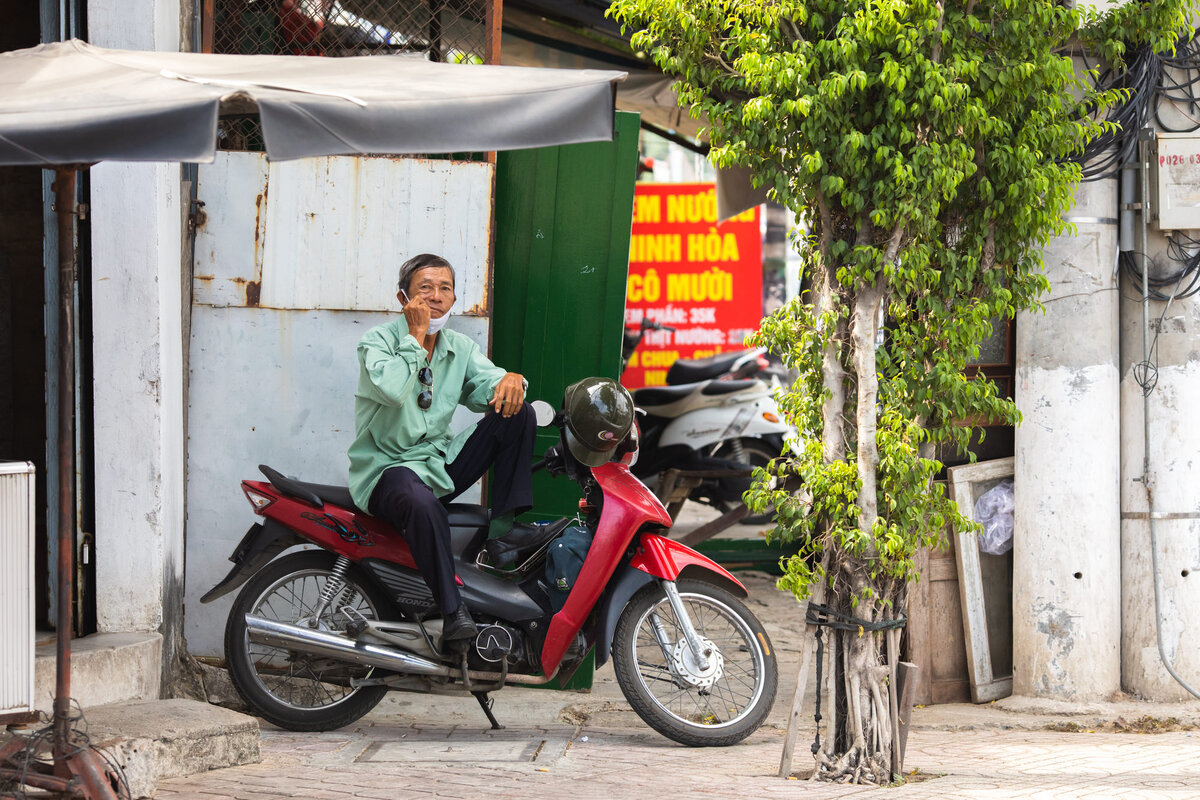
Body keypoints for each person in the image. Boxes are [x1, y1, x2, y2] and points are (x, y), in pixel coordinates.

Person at [347, 253, 549, 649]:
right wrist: (415, 339)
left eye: (445, 289)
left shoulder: (459, 347)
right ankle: (453, 612)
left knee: (518, 413)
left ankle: (503, 534)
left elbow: (490, 387)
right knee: (422, 504)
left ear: (455, 299)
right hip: (387, 471)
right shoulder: (377, 343)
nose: (436, 298)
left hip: (436, 466)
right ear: (403, 297)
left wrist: (511, 380)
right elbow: (392, 390)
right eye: (425, 289)